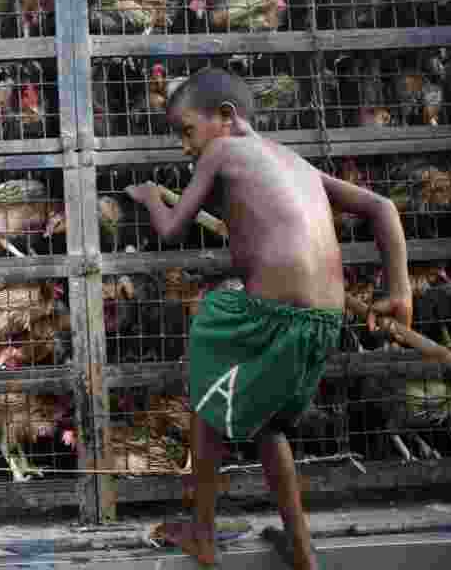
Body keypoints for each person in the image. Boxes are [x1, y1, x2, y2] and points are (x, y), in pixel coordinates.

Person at [125, 67, 413, 569]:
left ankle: (202, 534)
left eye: (186, 131)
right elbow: (382, 207)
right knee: (268, 423)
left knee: (207, 369)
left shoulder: (222, 150)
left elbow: (172, 229)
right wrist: (400, 290)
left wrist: (151, 198)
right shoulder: (295, 162)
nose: (183, 146)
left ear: (227, 117)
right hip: (322, 322)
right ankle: (301, 550)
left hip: (269, 316)